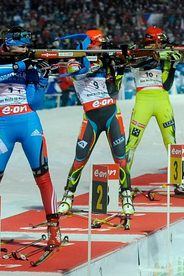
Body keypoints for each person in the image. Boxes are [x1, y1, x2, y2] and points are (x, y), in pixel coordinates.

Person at [0, 30, 60, 245]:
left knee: (43, 178)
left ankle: (54, 230)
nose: (26, 50)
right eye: (22, 46)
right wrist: (20, 66)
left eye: (27, 47)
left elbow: (35, 103)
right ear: (9, 44)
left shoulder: (30, 63)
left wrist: (42, 79)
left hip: (29, 123)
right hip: (2, 126)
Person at [57, 30, 133, 217]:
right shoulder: (76, 59)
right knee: (79, 160)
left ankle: (127, 198)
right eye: (100, 45)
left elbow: (114, 91)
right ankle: (67, 198)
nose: (103, 48)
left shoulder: (105, 60)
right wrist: (94, 64)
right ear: (89, 45)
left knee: (121, 159)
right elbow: (75, 74)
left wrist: (117, 69)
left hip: (111, 113)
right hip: (90, 116)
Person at [124, 26, 183, 182]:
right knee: (132, 142)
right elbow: (134, 62)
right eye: (159, 42)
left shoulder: (162, 58)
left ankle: (178, 181)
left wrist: (173, 66)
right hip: (143, 99)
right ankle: (123, 183)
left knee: (171, 141)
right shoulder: (136, 51)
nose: (161, 45)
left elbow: (167, 86)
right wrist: (157, 55)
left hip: (162, 99)